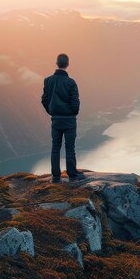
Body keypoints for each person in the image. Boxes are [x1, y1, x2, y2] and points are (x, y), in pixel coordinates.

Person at [41, 53, 86, 183]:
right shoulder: (71, 82)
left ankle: (55, 177)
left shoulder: (48, 80)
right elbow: (75, 103)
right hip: (69, 120)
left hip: (55, 119)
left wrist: (51, 111)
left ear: (56, 63)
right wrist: (72, 113)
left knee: (55, 147)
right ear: (68, 64)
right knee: (70, 147)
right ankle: (72, 175)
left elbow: (44, 99)